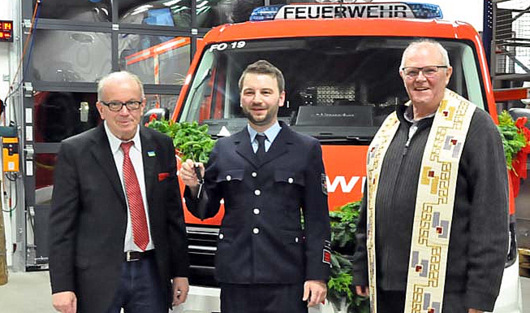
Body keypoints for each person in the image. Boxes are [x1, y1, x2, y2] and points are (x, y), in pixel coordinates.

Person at [352, 39, 509, 313]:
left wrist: (480, 297)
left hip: (447, 293)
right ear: (402, 76)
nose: (420, 79)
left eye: (430, 71)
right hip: (387, 289)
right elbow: (371, 205)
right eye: (412, 72)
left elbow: (491, 217)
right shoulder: (390, 127)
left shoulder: (475, 127)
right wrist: (361, 268)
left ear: (448, 74)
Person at [180, 60, 331, 313]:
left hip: (286, 277)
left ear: (281, 98)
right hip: (236, 276)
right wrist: (195, 186)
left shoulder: (306, 150)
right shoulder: (224, 149)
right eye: (249, 92)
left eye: (265, 92)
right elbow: (206, 210)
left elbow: (317, 219)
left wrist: (317, 275)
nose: (257, 99)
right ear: (241, 99)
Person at [48, 71, 190, 313]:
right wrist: (61, 286)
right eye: (115, 104)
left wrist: (180, 272)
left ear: (143, 105)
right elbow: (62, 226)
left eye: (132, 103)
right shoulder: (76, 151)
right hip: (97, 275)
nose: (125, 112)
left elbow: (173, 216)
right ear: (101, 109)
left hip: (151, 272)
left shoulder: (161, 145)